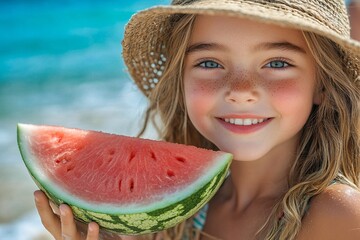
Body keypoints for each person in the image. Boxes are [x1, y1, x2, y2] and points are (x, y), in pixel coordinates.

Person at [33, 0, 360, 239]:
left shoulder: (339, 215)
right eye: (209, 63)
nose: (240, 91)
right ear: (181, 80)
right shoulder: (175, 214)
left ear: (322, 85)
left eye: (276, 63)